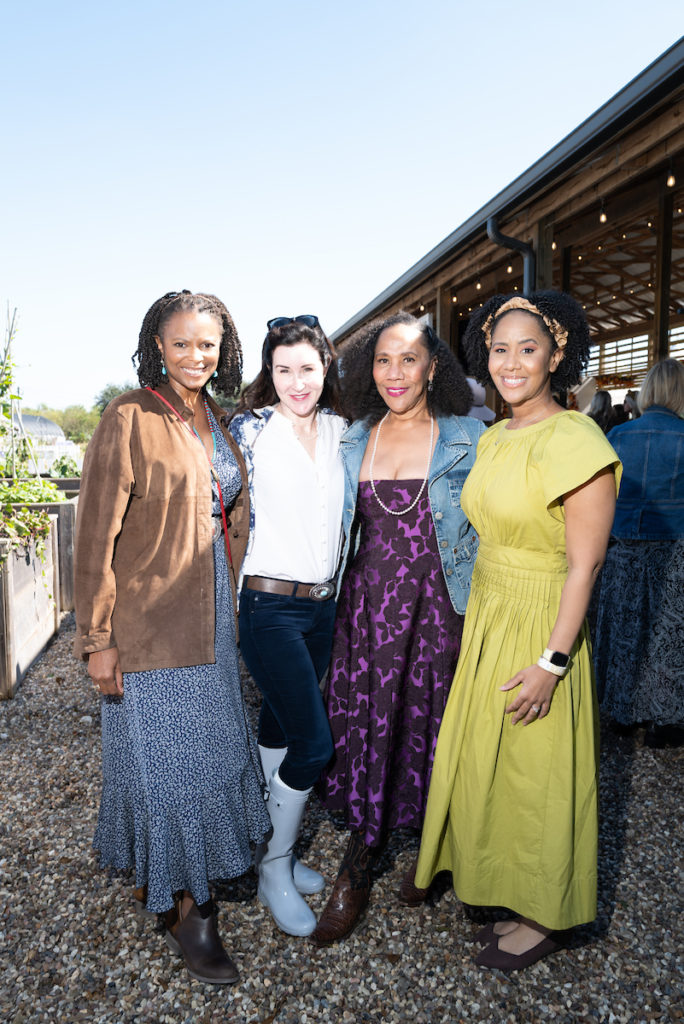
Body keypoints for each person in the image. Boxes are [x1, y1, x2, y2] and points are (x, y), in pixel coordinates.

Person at [416, 292, 621, 972]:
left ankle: (545, 913)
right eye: (498, 349)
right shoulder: (497, 434)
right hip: (491, 609)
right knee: (493, 763)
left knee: (537, 771)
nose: (510, 362)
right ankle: (507, 889)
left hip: (541, 618)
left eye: (527, 348)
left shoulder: (577, 440)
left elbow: (584, 564)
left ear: (556, 356)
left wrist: (553, 662)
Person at [74, 290, 270, 985]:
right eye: (182, 342)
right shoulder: (130, 415)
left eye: (208, 344)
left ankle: (165, 881)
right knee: (173, 774)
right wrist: (97, 638)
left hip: (214, 618)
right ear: (158, 344)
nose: (196, 355)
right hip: (150, 628)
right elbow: (94, 534)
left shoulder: (215, 417)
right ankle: (192, 908)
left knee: (209, 757)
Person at [312, 312, 483, 945]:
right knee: (371, 726)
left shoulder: (470, 435)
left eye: (409, 359)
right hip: (365, 613)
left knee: (434, 726)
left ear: (434, 367)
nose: (394, 373)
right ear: (368, 369)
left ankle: (433, 850)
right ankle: (358, 865)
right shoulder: (353, 439)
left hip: (439, 610)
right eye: (383, 360)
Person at [229, 315, 346, 937]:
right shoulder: (247, 431)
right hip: (267, 606)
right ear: (268, 374)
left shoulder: (342, 431)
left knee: (278, 723)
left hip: (323, 607)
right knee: (313, 744)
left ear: (326, 369)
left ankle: (270, 842)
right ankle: (273, 866)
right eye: (283, 370)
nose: (296, 382)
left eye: (307, 368)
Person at [594, 359, 684, 748]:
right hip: (675, 548)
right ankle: (666, 722)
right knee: (670, 636)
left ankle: (624, 714)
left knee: (627, 632)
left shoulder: (618, 435)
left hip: (624, 547)